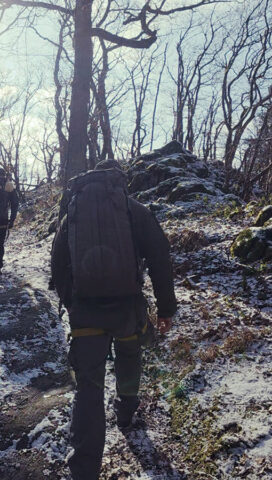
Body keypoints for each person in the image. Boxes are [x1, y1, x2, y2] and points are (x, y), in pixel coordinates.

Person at [49, 159, 176, 480]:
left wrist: (73, 303)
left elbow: (58, 263)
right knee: (129, 355)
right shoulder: (134, 210)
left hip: (86, 312)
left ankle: (84, 470)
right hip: (126, 309)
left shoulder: (73, 215)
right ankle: (125, 411)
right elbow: (160, 256)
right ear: (119, 182)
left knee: (88, 386)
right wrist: (165, 308)